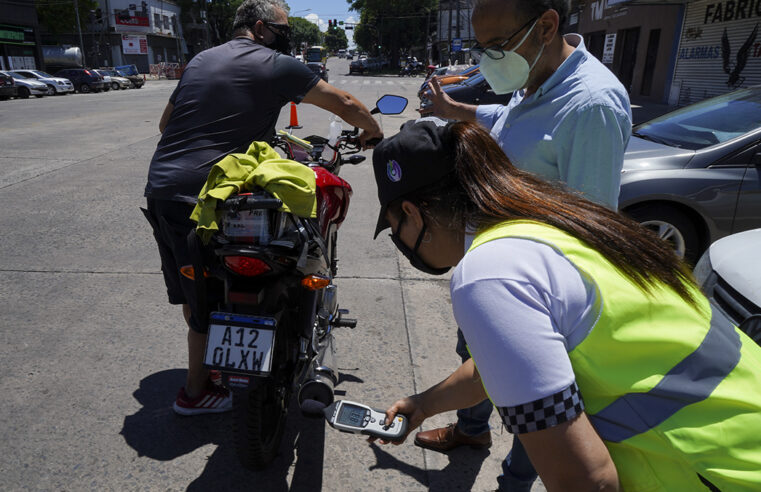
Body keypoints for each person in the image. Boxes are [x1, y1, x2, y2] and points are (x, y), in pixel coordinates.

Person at [370, 118, 761, 492]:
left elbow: (586, 482)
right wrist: (423, 405)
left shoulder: (487, 275)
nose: (401, 243)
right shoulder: (549, 224)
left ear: (411, 212)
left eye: (395, 229)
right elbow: (508, 364)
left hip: (722, 474)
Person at [418, 1, 631, 488]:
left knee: (535, 404)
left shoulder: (591, 105)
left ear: (548, 26)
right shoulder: (534, 78)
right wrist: (458, 112)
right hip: (496, 270)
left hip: (539, 292)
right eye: (482, 47)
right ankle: (471, 432)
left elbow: (591, 228)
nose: (489, 59)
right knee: (477, 357)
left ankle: (513, 482)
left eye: (497, 46)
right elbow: (511, 117)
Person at [143, 0, 383, 416]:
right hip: (214, 195)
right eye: (282, 28)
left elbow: (166, 125)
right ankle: (194, 391)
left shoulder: (200, 60)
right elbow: (342, 101)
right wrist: (373, 131)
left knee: (196, 287)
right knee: (280, 257)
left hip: (164, 189)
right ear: (260, 27)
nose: (286, 35)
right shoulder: (275, 62)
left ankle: (216, 366)